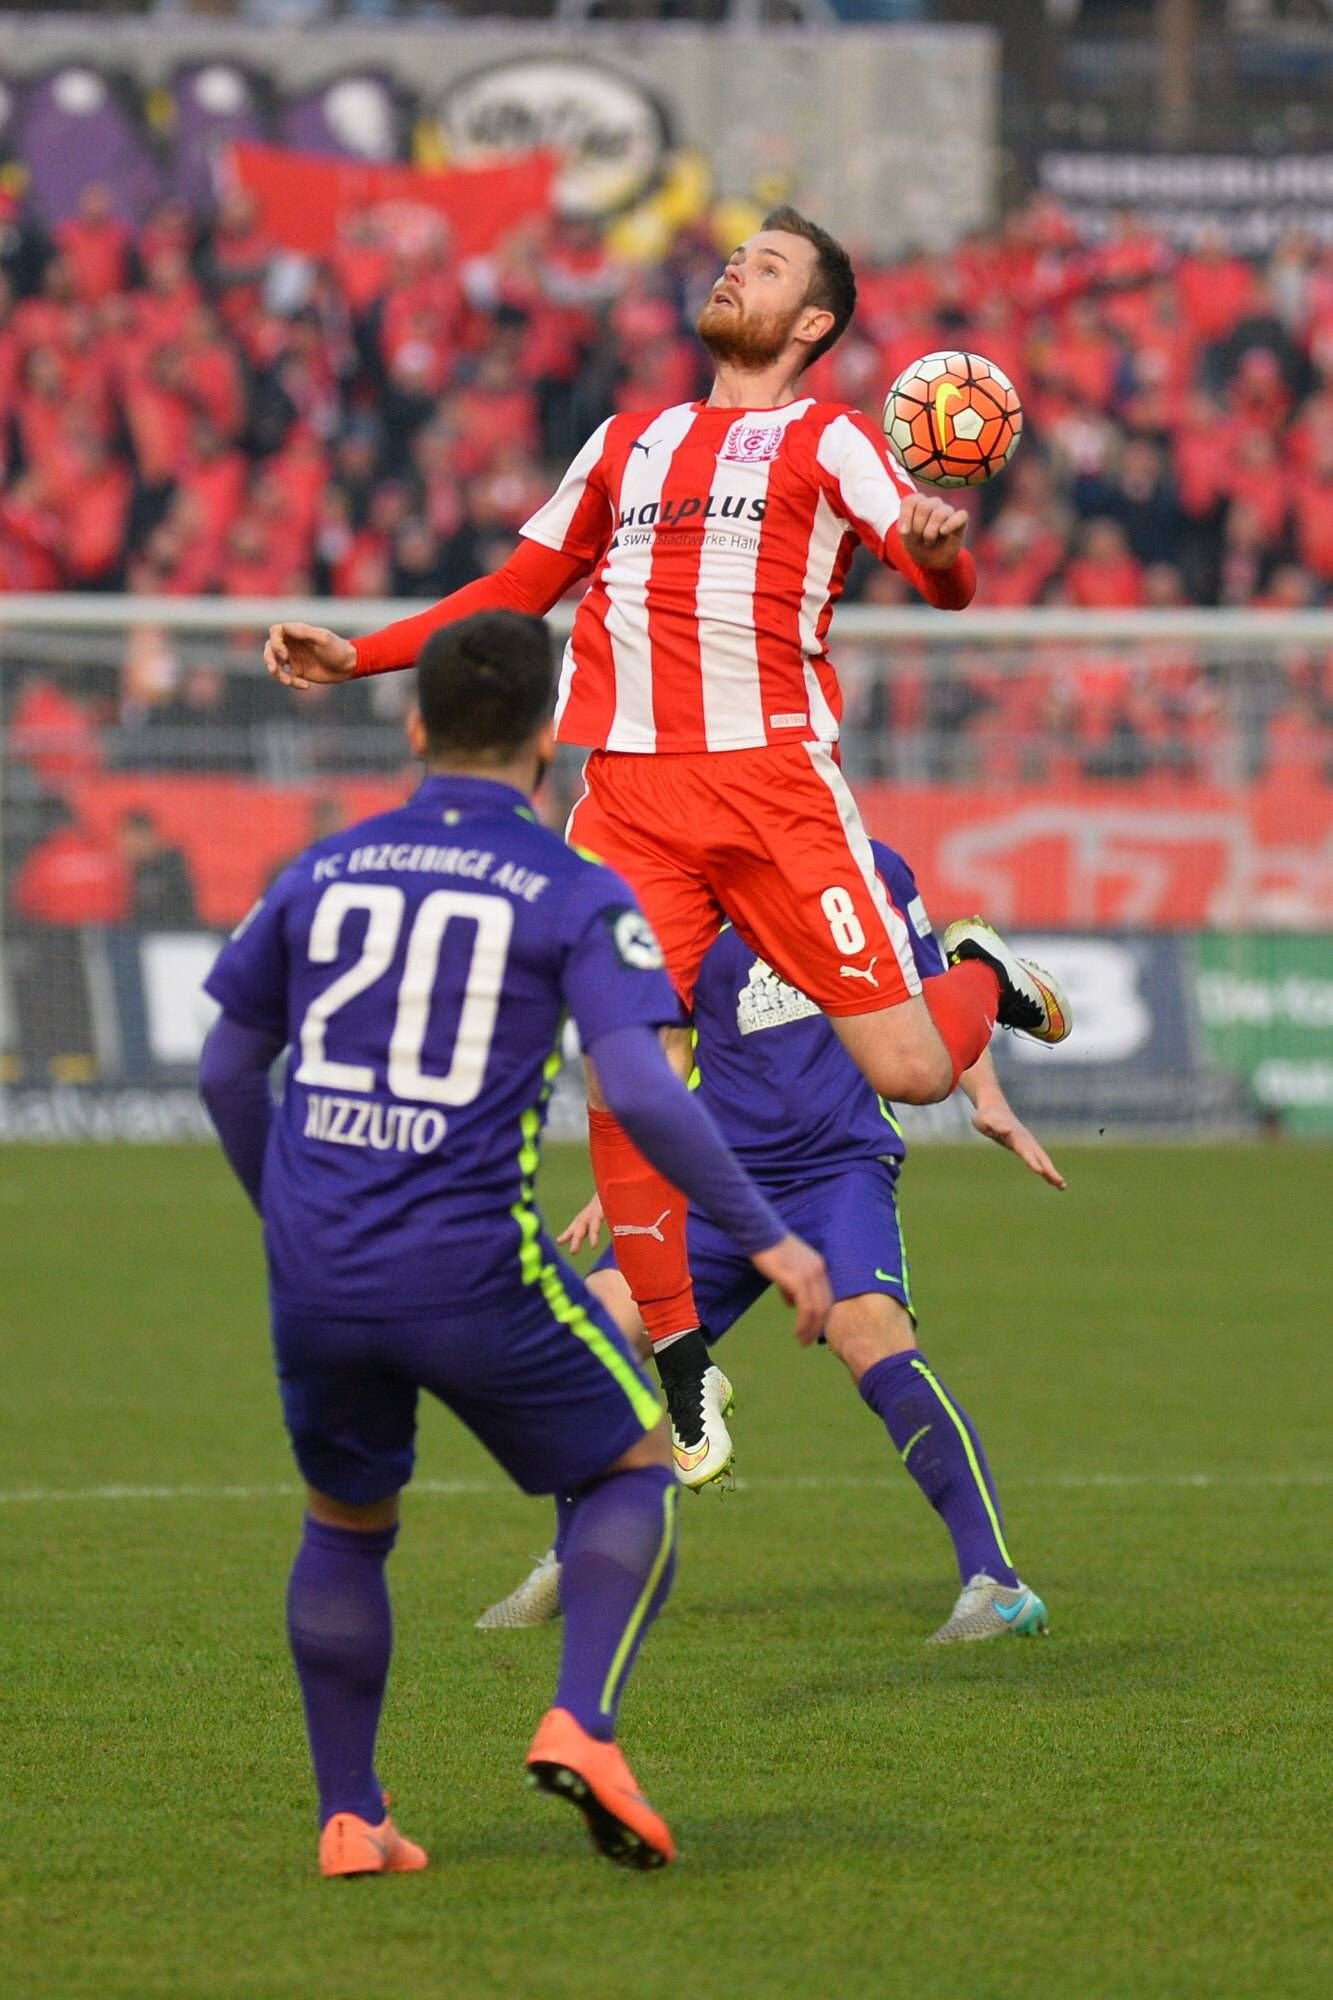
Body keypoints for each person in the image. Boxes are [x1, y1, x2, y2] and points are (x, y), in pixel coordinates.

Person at [262, 207, 1072, 1483]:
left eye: (768, 264)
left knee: (913, 1070)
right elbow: (516, 590)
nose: (735, 266)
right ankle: (686, 1365)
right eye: (738, 252)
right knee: (625, 1061)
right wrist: (361, 651)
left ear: (811, 322)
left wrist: (937, 556)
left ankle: (977, 968)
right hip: (629, 794)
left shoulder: (830, 437)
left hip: (773, 793)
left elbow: (927, 556)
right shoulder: (624, 441)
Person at [199, 612, 830, 1878]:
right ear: (551, 737)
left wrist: (293, 1218)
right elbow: (645, 1093)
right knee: (638, 1461)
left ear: (415, 724)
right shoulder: (574, 887)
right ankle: (581, 1723)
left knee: (343, 1519)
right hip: (469, 1267)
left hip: (317, 1270)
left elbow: (227, 1068)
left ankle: (349, 1815)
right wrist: (768, 1238)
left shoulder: (319, 868)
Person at [480, 838, 1060, 1640]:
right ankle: (573, 1558)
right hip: (714, 1180)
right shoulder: (682, 893)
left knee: (869, 1336)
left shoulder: (870, 868)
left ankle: (993, 1583)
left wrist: (985, 1096)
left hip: (836, 1168)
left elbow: (924, 1003)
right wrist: (623, 1187)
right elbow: (665, 1055)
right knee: (589, 1334)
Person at [119, 809, 199, 928]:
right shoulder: (138, 871)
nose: (128, 847)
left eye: (133, 841)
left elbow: (181, 912)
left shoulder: (172, 867)